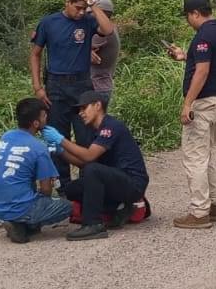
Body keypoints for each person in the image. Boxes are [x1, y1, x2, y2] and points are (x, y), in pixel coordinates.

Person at [29, 0, 114, 182]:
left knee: (87, 136)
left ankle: (89, 181)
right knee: (58, 137)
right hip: (56, 86)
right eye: (77, 7)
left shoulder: (88, 21)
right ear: (67, 2)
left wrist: (92, 3)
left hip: (82, 85)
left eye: (84, 8)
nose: (80, 12)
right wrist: (37, 87)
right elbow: (35, 54)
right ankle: (63, 185)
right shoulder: (49, 23)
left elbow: (108, 29)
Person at [166, 0, 216, 229]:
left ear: (195, 13)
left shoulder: (203, 36)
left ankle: (199, 211)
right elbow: (208, 64)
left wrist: (187, 104)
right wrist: (186, 57)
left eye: (188, 16)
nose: (188, 21)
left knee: (194, 158)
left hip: (203, 104)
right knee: (205, 156)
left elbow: (202, 72)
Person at [53, 91, 150, 241]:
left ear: (97, 105)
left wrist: (61, 140)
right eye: (79, 110)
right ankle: (119, 208)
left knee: (93, 170)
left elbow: (89, 156)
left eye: (84, 108)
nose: (80, 113)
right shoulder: (95, 131)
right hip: (115, 180)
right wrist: (60, 152)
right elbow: (84, 162)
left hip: (133, 183)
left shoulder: (110, 126)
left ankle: (93, 224)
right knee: (72, 189)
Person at [0, 97, 72, 244]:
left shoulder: (6, 137)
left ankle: (19, 222)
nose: (47, 118)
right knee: (67, 206)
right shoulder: (39, 148)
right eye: (44, 116)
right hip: (19, 207)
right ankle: (24, 224)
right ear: (36, 123)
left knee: (27, 186)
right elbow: (46, 189)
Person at [89, 0, 120, 105]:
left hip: (97, 87)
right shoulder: (112, 28)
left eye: (90, 13)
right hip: (101, 86)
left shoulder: (102, 33)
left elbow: (76, 48)